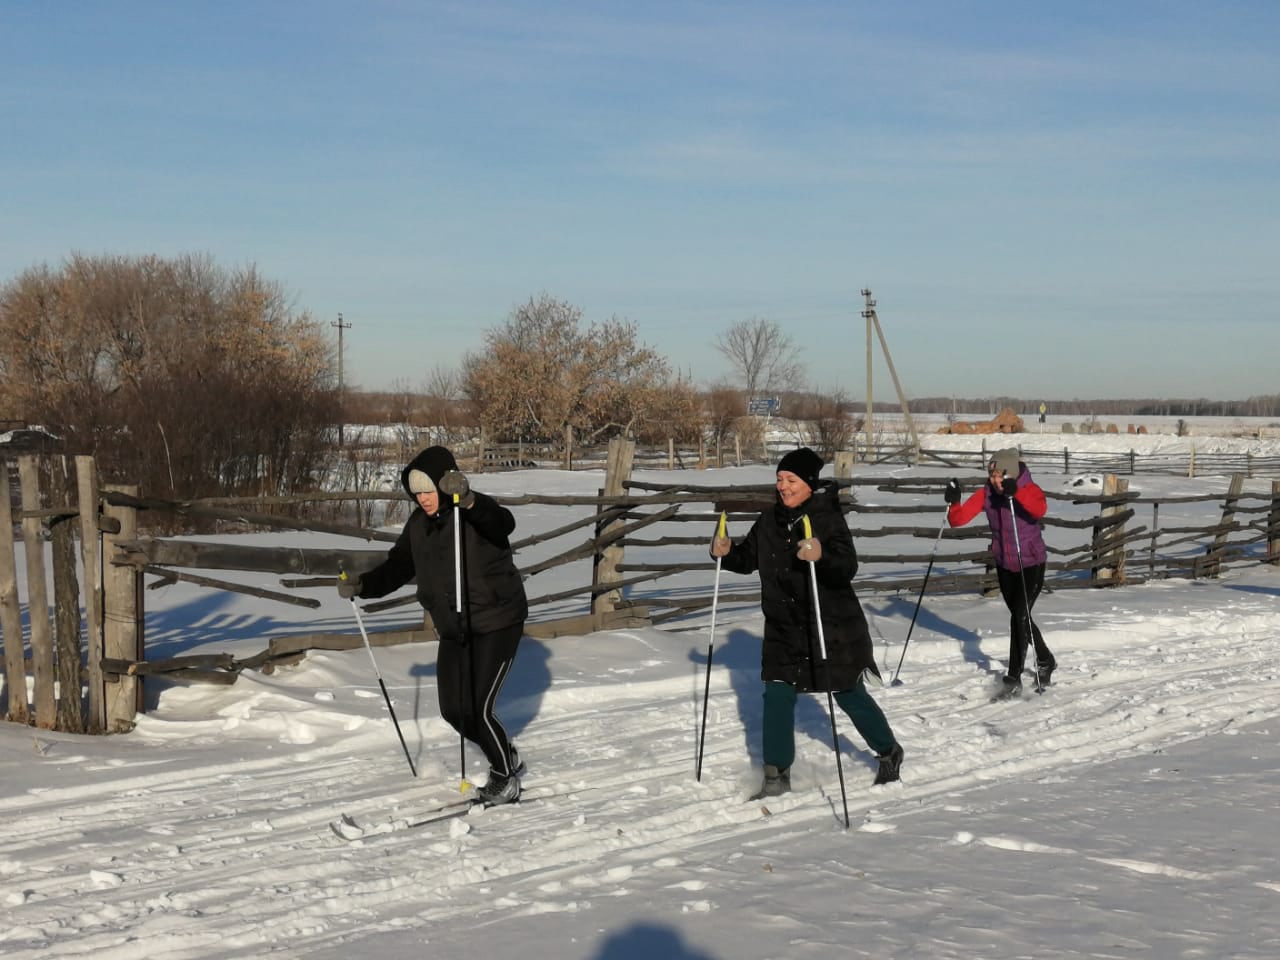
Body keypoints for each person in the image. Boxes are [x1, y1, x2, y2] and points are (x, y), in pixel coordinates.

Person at [338, 446, 528, 804]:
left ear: (445, 484)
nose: (423, 498)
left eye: (428, 490)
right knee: (454, 712)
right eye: (416, 493)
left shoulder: (471, 511)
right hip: (455, 627)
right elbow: (397, 567)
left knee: (477, 709)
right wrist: (363, 586)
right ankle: (506, 754)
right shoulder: (419, 525)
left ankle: (505, 778)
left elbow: (502, 523)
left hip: (497, 621)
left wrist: (469, 499)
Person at [711, 447, 904, 798]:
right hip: (783, 628)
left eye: (791, 480)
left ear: (809, 484)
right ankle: (776, 777)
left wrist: (821, 555)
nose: (783, 487)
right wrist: (726, 553)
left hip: (830, 625)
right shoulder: (769, 521)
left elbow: (847, 567)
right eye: (780, 480)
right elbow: (747, 558)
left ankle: (889, 751)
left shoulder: (826, 518)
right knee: (778, 694)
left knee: (848, 693)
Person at [944, 447, 1056, 698]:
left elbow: (1039, 509)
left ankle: (1013, 678)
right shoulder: (987, 493)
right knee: (1022, 616)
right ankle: (1046, 658)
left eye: (999, 475)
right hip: (1005, 563)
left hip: (1031, 562)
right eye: (992, 474)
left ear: (1012, 473)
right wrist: (954, 502)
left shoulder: (1029, 488)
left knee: (1019, 617)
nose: (994, 479)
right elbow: (958, 520)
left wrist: (1017, 495)